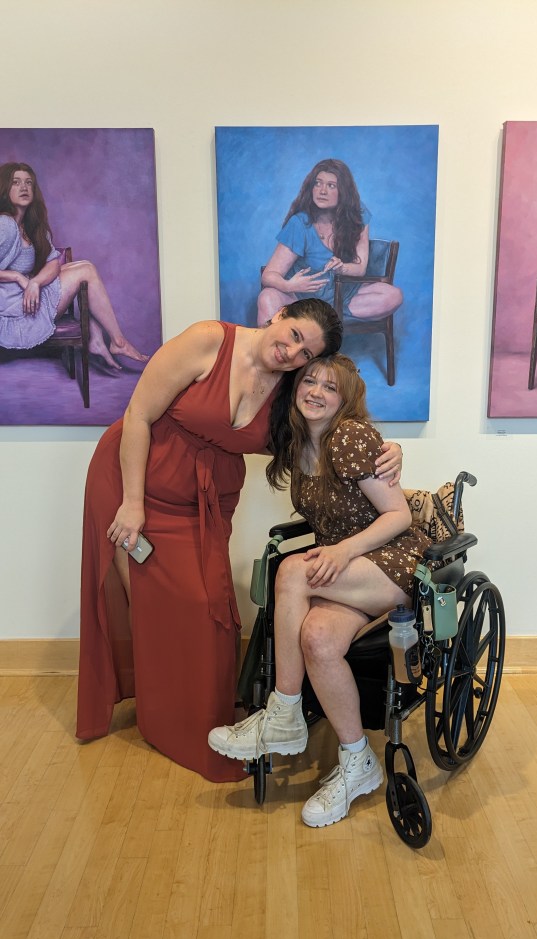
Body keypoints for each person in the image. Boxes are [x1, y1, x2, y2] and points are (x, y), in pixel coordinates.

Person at [76, 298, 403, 783]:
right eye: (294, 335)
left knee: (209, 611)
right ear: (278, 316)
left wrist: (390, 448)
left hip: (203, 506)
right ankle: (162, 721)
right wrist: (132, 502)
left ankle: (209, 720)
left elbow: (333, 434)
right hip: (135, 483)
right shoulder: (210, 340)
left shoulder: (292, 392)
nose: (293, 352)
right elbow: (138, 415)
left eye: (305, 353)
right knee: (151, 604)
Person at [208, 354, 429, 823]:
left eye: (331, 388)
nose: (317, 392)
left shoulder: (348, 436)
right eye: (310, 380)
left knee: (290, 572)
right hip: (345, 573)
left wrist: (344, 551)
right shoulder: (295, 441)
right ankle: (357, 762)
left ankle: (283, 713)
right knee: (318, 639)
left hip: (390, 564)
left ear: (345, 400)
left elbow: (400, 516)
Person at [0, 162, 148, 373]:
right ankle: (117, 341)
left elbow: (53, 262)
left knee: (85, 267)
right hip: (11, 307)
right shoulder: (4, 224)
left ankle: (97, 337)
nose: (24, 187)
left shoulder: (31, 226)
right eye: (16, 183)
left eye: (28, 183)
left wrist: (34, 282)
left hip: (25, 296)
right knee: (85, 270)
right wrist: (16, 276)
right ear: (5, 190)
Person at [257, 158, 403, 328]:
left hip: (343, 298)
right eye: (318, 184)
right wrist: (290, 285)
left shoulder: (357, 215)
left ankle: (326, 319)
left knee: (394, 295)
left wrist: (342, 268)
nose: (322, 191)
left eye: (331, 185)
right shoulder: (300, 224)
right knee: (267, 297)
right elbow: (269, 275)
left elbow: (360, 268)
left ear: (344, 192)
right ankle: (314, 322)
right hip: (301, 301)